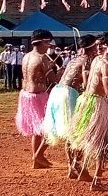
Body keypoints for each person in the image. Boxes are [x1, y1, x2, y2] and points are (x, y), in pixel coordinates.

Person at [70, 32, 108, 190]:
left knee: (83, 137)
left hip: (85, 100)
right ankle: (97, 180)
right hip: (97, 104)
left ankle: (79, 168)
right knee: (104, 141)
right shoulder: (106, 63)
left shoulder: (97, 60)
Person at [43, 35, 97, 179]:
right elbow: (86, 83)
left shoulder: (74, 59)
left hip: (58, 92)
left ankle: (71, 167)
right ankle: (79, 168)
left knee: (70, 132)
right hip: (68, 94)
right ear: (91, 47)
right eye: (96, 46)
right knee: (78, 132)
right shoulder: (87, 60)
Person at [16, 29, 59, 169]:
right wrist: (65, 71)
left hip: (26, 95)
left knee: (37, 130)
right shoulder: (42, 58)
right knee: (51, 127)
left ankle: (37, 161)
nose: (49, 46)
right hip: (38, 96)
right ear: (42, 42)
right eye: (48, 43)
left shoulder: (26, 56)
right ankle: (38, 155)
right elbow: (53, 80)